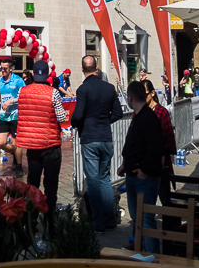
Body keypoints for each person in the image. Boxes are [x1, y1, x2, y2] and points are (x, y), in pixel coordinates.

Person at [71, 55, 124, 233]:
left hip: (90, 137)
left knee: (93, 181)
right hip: (105, 137)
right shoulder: (109, 88)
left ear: (82, 69)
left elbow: (78, 115)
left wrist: (79, 124)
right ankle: (109, 219)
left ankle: (98, 221)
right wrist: (104, 121)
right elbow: (118, 112)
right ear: (97, 67)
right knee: (105, 179)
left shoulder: (83, 90)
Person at [16, 61, 67, 232]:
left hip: (32, 145)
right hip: (50, 144)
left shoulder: (23, 91)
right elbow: (61, 118)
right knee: (50, 186)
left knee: (33, 184)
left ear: (32, 73)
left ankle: (31, 221)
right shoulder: (53, 93)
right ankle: (50, 223)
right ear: (47, 75)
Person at [117, 79, 164, 253]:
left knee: (146, 219)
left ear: (129, 98)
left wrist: (144, 169)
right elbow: (136, 145)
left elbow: (155, 148)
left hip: (145, 176)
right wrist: (125, 164)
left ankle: (151, 257)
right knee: (138, 219)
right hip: (134, 172)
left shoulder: (149, 118)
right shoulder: (140, 116)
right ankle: (140, 251)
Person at [145, 81, 175, 206]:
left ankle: (169, 222)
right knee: (147, 200)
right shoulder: (139, 112)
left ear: (152, 93)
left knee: (164, 196)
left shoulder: (161, 112)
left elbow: (168, 138)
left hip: (160, 161)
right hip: (144, 162)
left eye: (145, 94)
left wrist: (163, 157)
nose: (142, 97)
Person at [0, 60, 25, 175]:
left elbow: (23, 96)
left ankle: (19, 167)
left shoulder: (18, 80)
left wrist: (11, 101)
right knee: (0, 143)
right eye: (1, 68)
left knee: (15, 143)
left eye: (5, 68)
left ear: (11, 69)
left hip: (16, 115)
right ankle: (16, 154)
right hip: (3, 115)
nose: (3, 71)